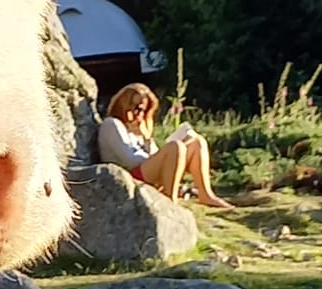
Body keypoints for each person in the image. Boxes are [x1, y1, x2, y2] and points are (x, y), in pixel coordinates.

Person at [95, 83, 230, 208]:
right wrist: (159, 157)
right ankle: (170, 200)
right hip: (127, 178)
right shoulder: (112, 124)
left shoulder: (136, 128)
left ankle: (206, 194)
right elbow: (130, 160)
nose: (139, 114)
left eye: (144, 110)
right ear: (124, 104)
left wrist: (147, 140)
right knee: (175, 147)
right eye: (137, 108)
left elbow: (151, 155)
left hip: (143, 172)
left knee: (197, 142)